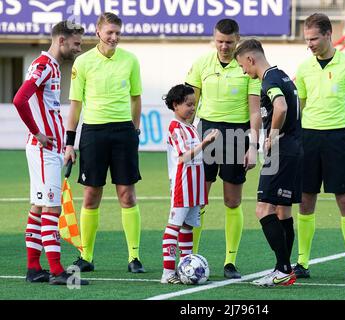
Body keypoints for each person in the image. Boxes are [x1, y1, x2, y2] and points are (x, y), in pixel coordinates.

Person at [64, 12, 145, 273]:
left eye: (117, 33)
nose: (114, 37)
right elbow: (75, 106)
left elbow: (136, 98)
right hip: (93, 133)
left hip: (123, 133)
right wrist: (69, 143)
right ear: (98, 32)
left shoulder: (131, 61)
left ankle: (134, 257)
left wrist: (135, 130)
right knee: (91, 195)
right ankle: (86, 256)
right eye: (109, 32)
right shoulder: (83, 62)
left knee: (127, 195)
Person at [185, 18, 262, 279]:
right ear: (214, 38)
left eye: (229, 42)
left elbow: (254, 111)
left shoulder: (246, 67)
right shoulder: (201, 63)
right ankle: (190, 256)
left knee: (232, 200)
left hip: (236, 134)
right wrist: (185, 136)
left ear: (237, 40)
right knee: (198, 199)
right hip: (206, 132)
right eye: (219, 41)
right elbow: (189, 105)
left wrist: (253, 145)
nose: (224, 46)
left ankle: (230, 261)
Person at [12, 21, 88, 285]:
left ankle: (34, 268)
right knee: (52, 209)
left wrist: (64, 145)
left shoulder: (51, 66)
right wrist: (38, 133)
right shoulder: (44, 65)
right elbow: (19, 99)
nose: (79, 48)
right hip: (44, 150)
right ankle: (56, 271)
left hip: (51, 149)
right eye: (76, 43)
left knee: (38, 207)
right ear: (61, 40)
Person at [294, 13, 345, 281]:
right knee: (305, 199)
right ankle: (302, 262)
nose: (310, 44)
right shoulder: (303, 68)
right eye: (307, 39)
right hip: (308, 138)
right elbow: (299, 107)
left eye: (314, 38)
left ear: (328, 35)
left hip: (338, 137)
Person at [234, 39, 302, 287]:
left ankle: (283, 269)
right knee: (283, 210)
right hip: (295, 148)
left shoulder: (269, 80)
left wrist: (272, 136)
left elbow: (281, 107)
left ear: (251, 59)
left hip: (282, 151)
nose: (244, 71)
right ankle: (282, 269)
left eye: (243, 65)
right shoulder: (283, 76)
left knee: (263, 209)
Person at [161, 84, 219, 284]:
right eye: (188, 104)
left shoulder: (190, 127)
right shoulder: (175, 128)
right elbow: (183, 157)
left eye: (194, 104)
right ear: (175, 105)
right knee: (174, 227)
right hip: (182, 184)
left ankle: (184, 268)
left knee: (187, 227)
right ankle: (167, 273)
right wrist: (206, 143)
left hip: (195, 185)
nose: (192, 108)